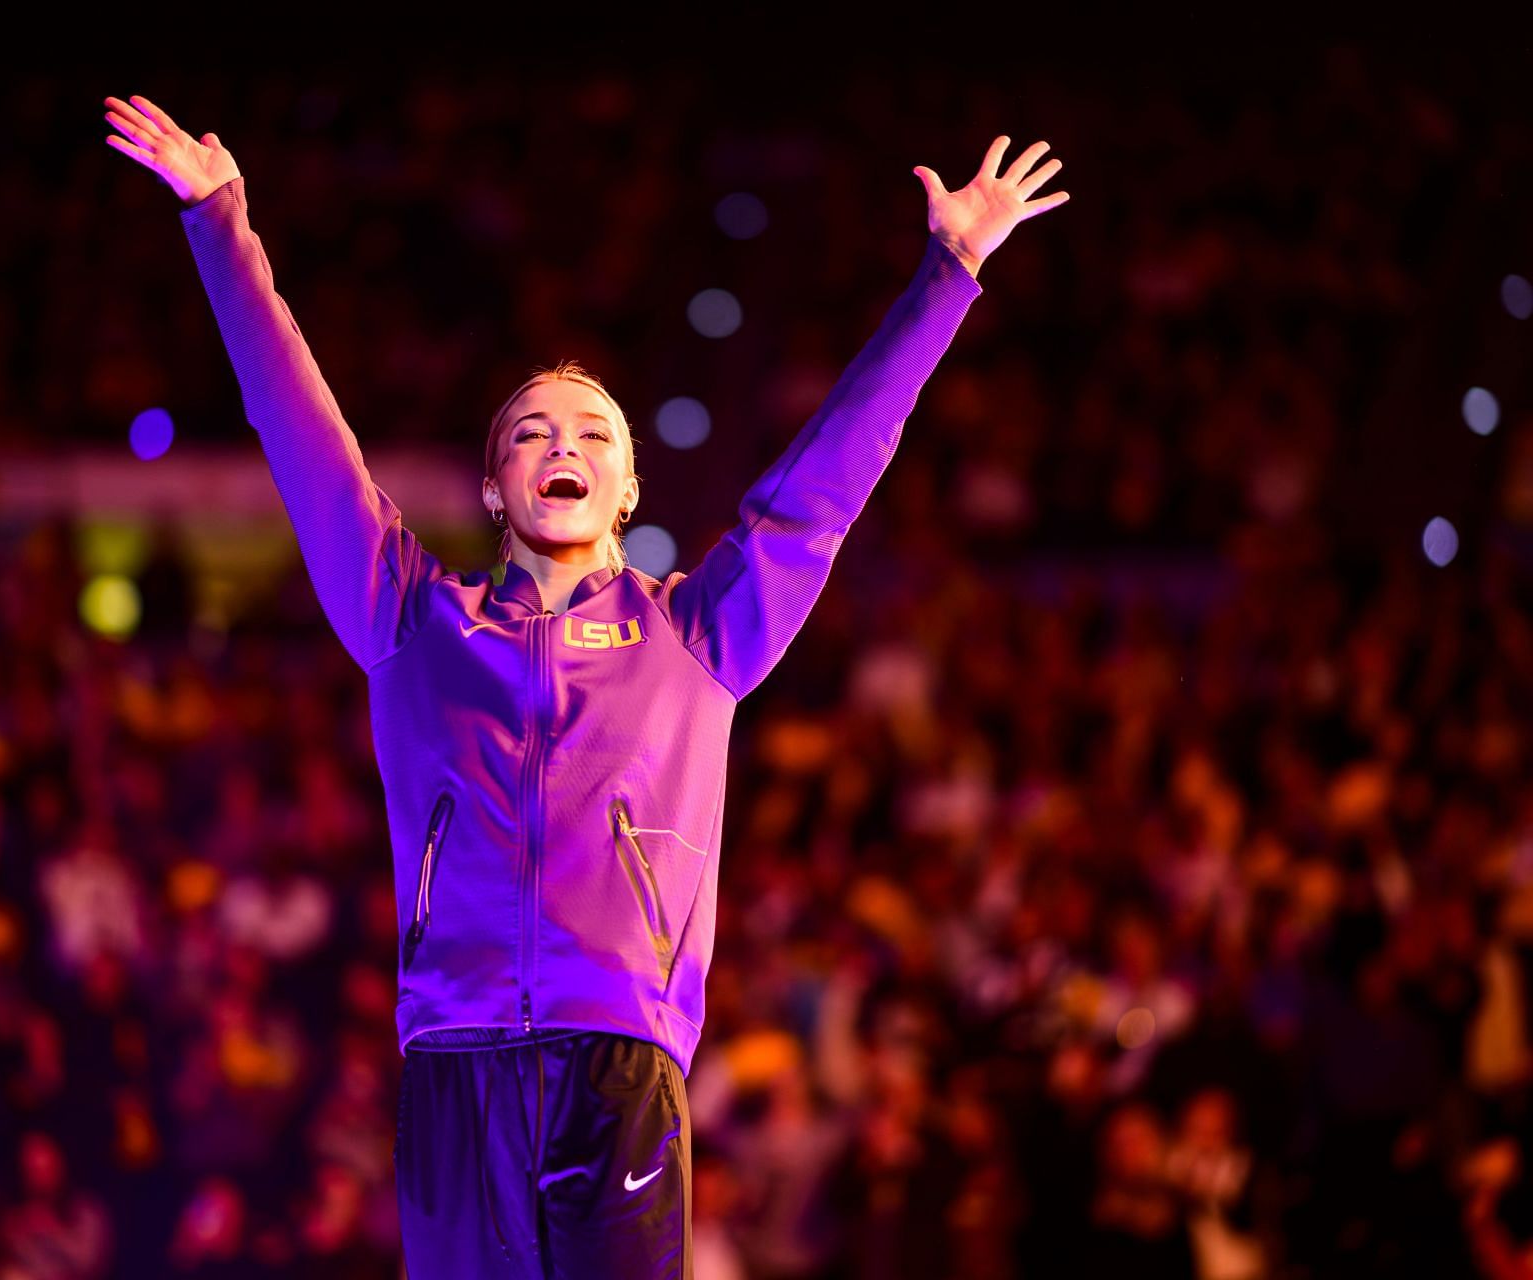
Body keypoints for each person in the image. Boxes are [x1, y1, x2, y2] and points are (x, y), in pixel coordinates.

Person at [103, 90, 1067, 1278]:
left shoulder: (703, 635)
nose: (564, 445)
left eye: (595, 434)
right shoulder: (410, 618)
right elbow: (306, 443)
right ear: (497, 489)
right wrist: (220, 223)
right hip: (454, 1062)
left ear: (629, 495)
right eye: (531, 433)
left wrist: (947, 275)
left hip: (621, 1062)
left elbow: (823, 485)